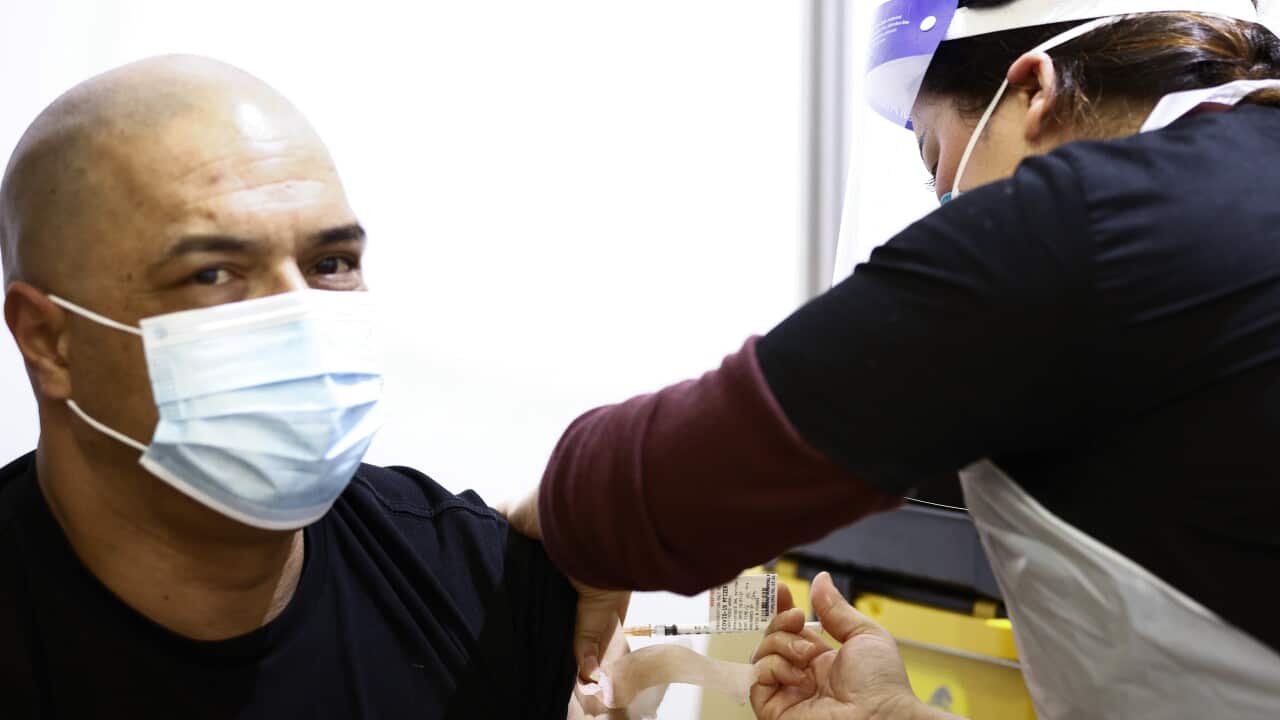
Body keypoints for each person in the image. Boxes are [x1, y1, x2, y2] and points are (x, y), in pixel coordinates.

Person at [504, 1, 1280, 718]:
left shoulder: (1086, 223)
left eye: (937, 156)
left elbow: (680, 478)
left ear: (1035, 90)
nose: (942, 202)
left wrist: (541, 512)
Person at [0, 55, 599, 719]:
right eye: (213, 274)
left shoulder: (483, 587)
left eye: (330, 264)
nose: (301, 320)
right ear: (48, 341)